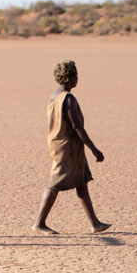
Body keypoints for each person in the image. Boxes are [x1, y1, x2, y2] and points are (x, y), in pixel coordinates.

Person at [36, 60, 110, 234]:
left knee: (81, 181)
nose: (78, 79)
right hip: (66, 146)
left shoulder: (54, 95)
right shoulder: (68, 98)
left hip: (60, 143)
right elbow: (77, 126)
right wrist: (94, 149)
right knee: (55, 183)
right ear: (71, 78)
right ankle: (39, 223)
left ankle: (95, 223)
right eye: (77, 76)